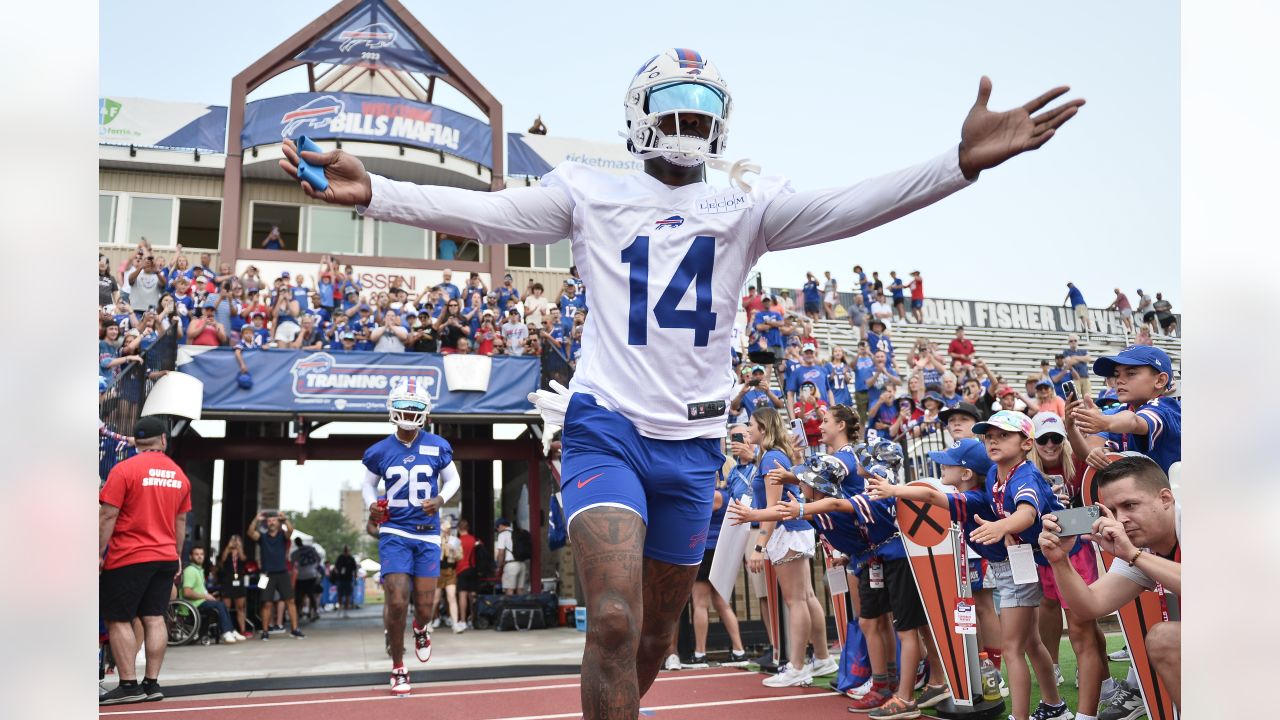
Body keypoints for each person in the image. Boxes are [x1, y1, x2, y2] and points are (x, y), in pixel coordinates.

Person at [281, 47, 1083, 717]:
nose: (690, 126)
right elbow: (487, 213)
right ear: (639, 113)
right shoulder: (588, 187)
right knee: (616, 620)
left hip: (694, 444)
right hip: (607, 426)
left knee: (656, 637)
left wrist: (958, 163)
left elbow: (852, 208)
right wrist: (377, 192)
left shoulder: (748, 199)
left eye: (704, 114)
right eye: (677, 109)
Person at [866, 437, 1002, 710]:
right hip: (983, 561)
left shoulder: (973, 496)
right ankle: (976, 678)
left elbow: (930, 497)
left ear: (966, 474)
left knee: (1003, 625)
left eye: (947, 463)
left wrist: (894, 489)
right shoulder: (968, 493)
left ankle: (991, 675)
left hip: (999, 564)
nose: (941, 465)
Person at [1038, 454, 1181, 713]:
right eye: (1112, 511)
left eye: (1130, 505)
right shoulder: (1139, 547)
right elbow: (1090, 606)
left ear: (1165, 499)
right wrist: (1059, 560)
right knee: (1164, 638)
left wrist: (1134, 556)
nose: (1121, 519)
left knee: (1166, 638)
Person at [966, 411, 1072, 720]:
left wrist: (1002, 528)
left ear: (1027, 443)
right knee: (1029, 642)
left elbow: (1027, 514)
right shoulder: (994, 474)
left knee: (1012, 647)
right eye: (989, 436)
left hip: (1054, 557)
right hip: (1034, 560)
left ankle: (1020, 716)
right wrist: (1007, 528)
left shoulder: (1024, 474)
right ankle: (1055, 707)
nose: (993, 440)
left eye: (1003, 435)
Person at [363, 377, 461, 694]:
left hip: (428, 534)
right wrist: (371, 506)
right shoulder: (379, 450)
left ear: (425, 411)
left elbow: (452, 481)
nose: (408, 412)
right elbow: (367, 484)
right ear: (393, 409)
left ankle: (420, 627)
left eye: (414, 407)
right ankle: (398, 667)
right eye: (403, 406)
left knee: (425, 606)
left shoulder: (437, 444)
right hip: (394, 530)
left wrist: (441, 500)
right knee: (395, 601)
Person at [732, 407, 837, 687]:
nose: (747, 430)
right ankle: (823, 657)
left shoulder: (770, 459)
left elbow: (774, 507)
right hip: (793, 530)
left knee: (796, 600)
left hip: (787, 531)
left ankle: (797, 666)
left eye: (751, 425)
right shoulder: (772, 456)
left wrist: (759, 547)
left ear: (763, 428)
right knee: (807, 596)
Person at [98, 417, 189, 705]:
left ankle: (128, 685)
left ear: (136, 441)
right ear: (163, 439)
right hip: (164, 555)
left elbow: (108, 514)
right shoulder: (179, 475)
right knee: (153, 617)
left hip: (129, 555)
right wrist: (176, 555)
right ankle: (151, 683)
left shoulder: (123, 470)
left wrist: (97, 552)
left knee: (118, 618)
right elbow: (181, 520)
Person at [1027, 413, 1111, 718]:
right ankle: (1052, 667)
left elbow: (1096, 501)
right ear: (1032, 442)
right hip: (1041, 552)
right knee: (1047, 604)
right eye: (1043, 438)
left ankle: (1101, 680)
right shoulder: (1025, 470)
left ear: (1063, 440)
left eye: (1055, 438)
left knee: (1081, 619)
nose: (1049, 444)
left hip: (1076, 549)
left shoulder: (1077, 465)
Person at [1068, 345, 1181, 474]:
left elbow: (1134, 421)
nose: (1119, 381)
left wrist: (1105, 422)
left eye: (1131, 373)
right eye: (1116, 375)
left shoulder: (1165, 407)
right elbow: (1089, 454)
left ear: (1160, 380)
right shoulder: (1123, 410)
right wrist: (1104, 453)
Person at [689, 444, 749, 665]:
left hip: (706, 550)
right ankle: (739, 650)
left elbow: (695, 509)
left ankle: (700, 652)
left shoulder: (716, 496)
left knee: (701, 603)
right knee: (721, 602)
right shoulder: (726, 495)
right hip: (718, 550)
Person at [247, 511, 305, 640]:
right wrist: (256, 519)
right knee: (266, 603)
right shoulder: (262, 537)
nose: (271, 522)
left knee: (290, 601)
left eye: (274, 520)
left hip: (282, 573)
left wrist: (285, 519)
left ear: (278, 523)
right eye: (269, 520)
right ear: (266, 523)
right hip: (266, 574)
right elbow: (250, 532)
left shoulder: (282, 536)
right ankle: (265, 631)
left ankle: (295, 629)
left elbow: (290, 530)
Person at [181, 547, 241, 644]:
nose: (200, 556)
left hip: (199, 601)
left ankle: (231, 630)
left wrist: (209, 595)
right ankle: (226, 632)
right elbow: (187, 592)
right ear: (190, 557)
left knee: (221, 604)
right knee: (220, 605)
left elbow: (200, 590)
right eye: (196, 554)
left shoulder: (199, 570)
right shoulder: (190, 570)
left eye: (201, 554)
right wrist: (205, 596)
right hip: (193, 604)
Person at [216, 535, 251, 638]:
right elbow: (221, 561)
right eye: (233, 540)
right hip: (227, 582)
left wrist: (239, 548)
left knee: (240, 607)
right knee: (226, 608)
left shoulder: (242, 552)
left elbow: (243, 559)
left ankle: (242, 630)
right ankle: (227, 630)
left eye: (237, 540)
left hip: (239, 582)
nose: (235, 542)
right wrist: (228, 547)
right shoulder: (226, 552)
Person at [454, 518, 479, 631]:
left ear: (459, 529)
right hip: (473, 569)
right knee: (472, 596)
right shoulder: (474, 539)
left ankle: (463, 620)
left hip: (461, 570)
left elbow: (453, 557)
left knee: (462, 596)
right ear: (468, 528)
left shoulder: (457, 541)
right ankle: (473, 620)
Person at [494, 517, 530, 595]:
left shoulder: (503, 535)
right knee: (520, 590)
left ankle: (509, 607)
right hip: (522, 564)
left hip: (511, 565)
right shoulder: (518, 533)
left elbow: (501, 553)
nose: (497, 530)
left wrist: (499, 566)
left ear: (500, 526)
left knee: (509, 590)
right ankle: (520, 607)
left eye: (497, 527)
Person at [291, 537, 323, 622]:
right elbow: (319, 559)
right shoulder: (311, 549)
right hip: (311, 574)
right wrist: (314, 567)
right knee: (310, 594)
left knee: (300, 595)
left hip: (302, 576)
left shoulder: (296, 553)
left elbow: (292, 563)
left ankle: (300, 612)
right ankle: (313, 611)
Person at [1062, 334, 1093, 400]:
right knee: (1076, 398)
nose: (1073, 342)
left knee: (1088, 398)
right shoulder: (1066, 352)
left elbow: (1089, 359)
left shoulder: (1083, 351)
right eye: (1071, 341)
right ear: (1068, 342)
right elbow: (1069, 362)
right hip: (1074, 378)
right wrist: (1082, 359)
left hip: (1085, 377)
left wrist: (1075, 357)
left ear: (1077, 341)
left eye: (1075, 340)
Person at [334, 545, 358, 615]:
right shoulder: (340, 557)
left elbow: (355, 568)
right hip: (340, 579)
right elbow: (335, 567)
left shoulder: (351, 558)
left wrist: (355, 576)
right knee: (340, 595)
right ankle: (340, 608)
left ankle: (346, 610)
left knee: (348, 595)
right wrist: (337, 573)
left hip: (348, 579)